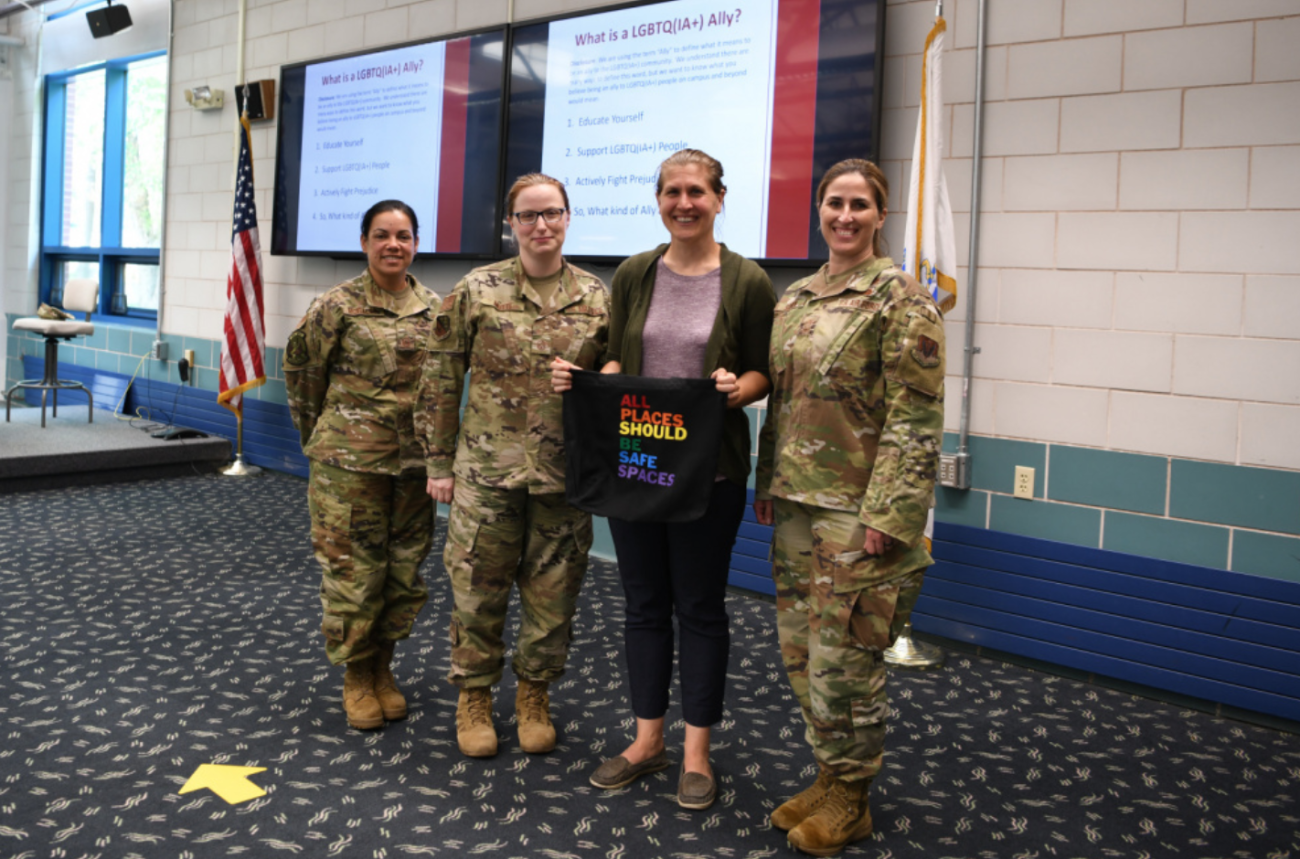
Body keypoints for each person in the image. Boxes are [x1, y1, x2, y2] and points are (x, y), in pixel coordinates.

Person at [553, 149, 775, 811]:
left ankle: (697, 752)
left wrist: (740, 389)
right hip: (639, 466)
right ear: (657, 199)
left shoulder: (749, 282)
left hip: (712, 470)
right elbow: (623, 354)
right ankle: (646, 739)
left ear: (718, 198)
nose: (684, 202)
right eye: (672, 191)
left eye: (696, 191)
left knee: (700, 609)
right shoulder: (633, 273)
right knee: (644, 605)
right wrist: (590, 377)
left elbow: (766, 370)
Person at [753, 159, 946, 856]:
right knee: (803, 655)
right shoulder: (796, 297)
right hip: (798, 504)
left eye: (859, 204)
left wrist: (888, 519)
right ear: (818, 208)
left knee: (848, 663)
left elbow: (915, 420)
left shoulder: (901, 299)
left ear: (880, 214)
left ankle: (854, 798)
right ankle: (830, 774)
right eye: (834, 202)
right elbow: (785, 400)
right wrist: (767, 482)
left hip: (858, 514)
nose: (845, 215)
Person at [417, 174, 609, 759]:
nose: (541, 225)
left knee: (554, 597)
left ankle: (534, 696)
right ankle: (473, 696)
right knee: (477, 592)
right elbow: (441, 377)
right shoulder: (478, 290)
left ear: (569, 218)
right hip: (485, 474)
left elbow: (617, 382)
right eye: (528, 216)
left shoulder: (599, 298)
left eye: (551, 213)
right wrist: (438, 463)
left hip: (562, 478)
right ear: (512, 224)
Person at [284, 199, 438, 732]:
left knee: (403, 572)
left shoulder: (435, 308)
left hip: (413, 468)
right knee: (353, 573)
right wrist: (325, 437)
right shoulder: (337, 305)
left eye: (403, 234)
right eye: (381, 235)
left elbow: (441, 389)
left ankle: (383, 669)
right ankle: (355, 675)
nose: (393, 244)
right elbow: (303, 375)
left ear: (417, 242)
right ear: (365, 242)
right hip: (348, 467)